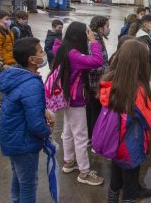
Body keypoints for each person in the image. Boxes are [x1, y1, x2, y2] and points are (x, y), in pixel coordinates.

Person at [100, 40, 151, 203]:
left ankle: (111, 200)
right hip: (129, 146)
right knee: (130, 187)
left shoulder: (109, 81)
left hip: (113, 141)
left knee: (115, 178)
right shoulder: (137, 90)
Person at [0, 37, 53, 203]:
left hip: (12, 139)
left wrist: (42, 110)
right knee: (29, 184)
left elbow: (22, 103)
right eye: (40, 51)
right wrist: (47, 133)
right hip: (24, 143)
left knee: (18, 178)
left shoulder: (14, 76)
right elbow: (36, 124)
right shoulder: (32, 83)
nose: (44, 54)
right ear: (31, 60)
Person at [50, 21, 104, 185]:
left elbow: (58, 42)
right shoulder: (73, 55)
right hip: (75, 99)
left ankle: (69, 161)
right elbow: (97, 61)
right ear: (79, 36)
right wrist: (94, 42)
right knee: (80, 136)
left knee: (67, 131)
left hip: (67, 97)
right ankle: (84, 172)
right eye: (86, 34)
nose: (88, 37)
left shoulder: (60, 49)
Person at [87, 16, 110, 141]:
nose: (108, 29)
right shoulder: (93, 40)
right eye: (107, 26)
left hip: (98, 82)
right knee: (94, 110)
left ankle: (93, 134)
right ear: (100, 28)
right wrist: (107, 70)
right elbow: (91, 65)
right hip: (93, 83)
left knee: (95, 109)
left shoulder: (98, 38)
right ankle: (93, 136)